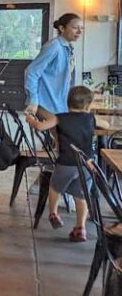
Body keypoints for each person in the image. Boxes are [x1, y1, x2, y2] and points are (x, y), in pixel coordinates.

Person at [25, 86, 109, 242]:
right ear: (88, 105)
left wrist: (30, 119)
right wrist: (94, 122)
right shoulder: (91, 118)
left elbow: (40, 126)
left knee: (55, 187)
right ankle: (80, 228)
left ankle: (53, 213)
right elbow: (106, 126)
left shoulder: (60, 117)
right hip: (87, 164)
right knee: (81, 195)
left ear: (67, 102)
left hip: (66, 163)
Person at [25, 13, 83, 116]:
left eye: (81, 28)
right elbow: (31, 72)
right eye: (75, 28)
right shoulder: (54, 46)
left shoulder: (68, 47)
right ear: (62, 28)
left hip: (60, 104)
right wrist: (33, 101)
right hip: (46, 105)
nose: (79, 32)